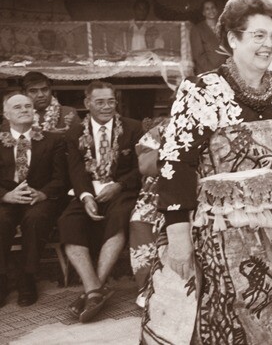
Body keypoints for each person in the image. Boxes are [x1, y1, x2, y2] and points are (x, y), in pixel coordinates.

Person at [142, 0, 272, 344]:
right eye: (258, 35)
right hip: (218, 235)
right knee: (221, 314)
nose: (268, 44)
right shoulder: (202, 90)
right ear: (233, 39)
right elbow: (175, 161)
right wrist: (178, 236)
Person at [58, 81, 143, 323]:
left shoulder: (133, 128)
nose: (107, 107)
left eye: (111, 101)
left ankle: (91, 291)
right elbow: (75, 171)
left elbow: (140, 169)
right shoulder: (74, 132)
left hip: (121, 192)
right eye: (100, 102)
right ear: (87, 104)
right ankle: (95, 289)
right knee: (68, 222)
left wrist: (118, 186)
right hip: (87, 192)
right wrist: (85, 197)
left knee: (119, 218)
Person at [0, 93, 67, 307]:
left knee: (35, 220)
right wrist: (5, 195)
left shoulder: (53, 140)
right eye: (17, 107)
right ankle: (2, 278)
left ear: (34, 112)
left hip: (40, 198)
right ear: (6, 114)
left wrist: (43, 194)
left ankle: (27, 278)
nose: (24, 110)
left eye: (28, 106)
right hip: (6, 198)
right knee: (1, 220)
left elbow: (61, 178)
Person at [129, 119, 168, 309]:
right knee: (140, 219)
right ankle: (148, 286)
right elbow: (145, 166)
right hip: (162, 188)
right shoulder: (163, 128)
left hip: (201, 186)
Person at [189, 0, 228, 74]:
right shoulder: (197, 29)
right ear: (203, 13)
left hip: (225, 70)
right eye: (207, 9)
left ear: (217, 10)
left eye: (213, 7)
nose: (211, 11)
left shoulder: (224, 27)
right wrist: (212, 70)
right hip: (206, 72)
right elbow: (198, 55)